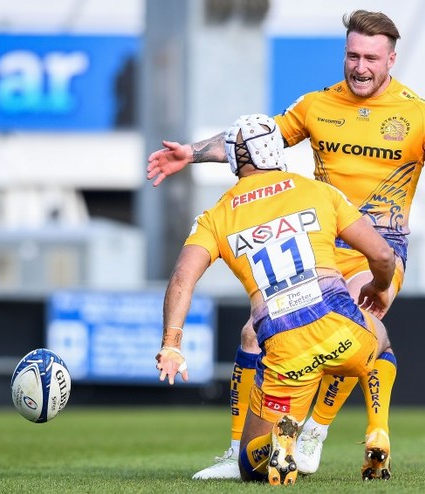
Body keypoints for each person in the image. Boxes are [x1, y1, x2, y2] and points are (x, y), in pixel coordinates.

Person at [147, 10, 425, 481]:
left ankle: (313, 433)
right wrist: (193, 151)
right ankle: (241, 451)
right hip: (320, 239)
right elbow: (257, 142)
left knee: (349, 320)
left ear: (391, 58)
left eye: (371, 57)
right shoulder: (316, 106)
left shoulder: (418, 113)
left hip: (378, 245)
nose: (360, 66)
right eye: (352, 55)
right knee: (254, 333)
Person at [155, 113, 396, 485]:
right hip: (343, 331)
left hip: (285, 352)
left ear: (236, 159)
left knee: (250, 468)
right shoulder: (320, 192)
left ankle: (278, 441)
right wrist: (377, 286)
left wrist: (172, 344)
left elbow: (182, 280)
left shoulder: (216, 216)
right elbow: (382, 256)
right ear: (277, 152)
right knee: (381, 340)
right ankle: (377, 427)